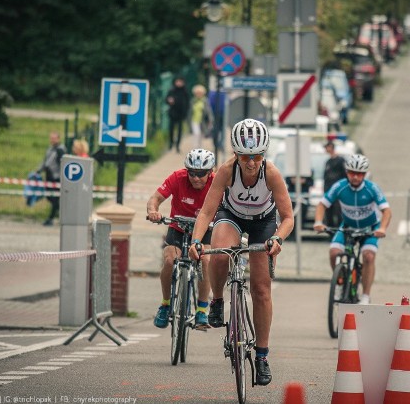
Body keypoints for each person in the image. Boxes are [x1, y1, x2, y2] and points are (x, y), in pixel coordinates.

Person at [188, 118, 294, 386]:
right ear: (236, 154)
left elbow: (288, 218)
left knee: (261, 289)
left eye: (257, 156)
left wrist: (278, 239)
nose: (251, 162)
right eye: (245, 156)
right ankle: (217, 300)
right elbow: (207, 211)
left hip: (263, 222)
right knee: (220, 252)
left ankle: (262, 355)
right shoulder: (226, 171)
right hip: (231, 215)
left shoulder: (271, 173)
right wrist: (196, 241)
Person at [147, 149, 216, 330]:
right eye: (192, 173)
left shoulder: (217, 183)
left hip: (205, 230)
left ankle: (202, 308)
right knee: (170, 261)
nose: (196, 178)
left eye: (201, 174)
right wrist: (153, 211)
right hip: (178, 228)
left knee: (206, 260)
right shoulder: (177, 178)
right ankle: (165, 304)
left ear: (210, 172)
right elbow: (155, 198)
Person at [313, 153, 391, 305]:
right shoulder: (340, 186)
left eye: (359, 174)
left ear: (365, 174)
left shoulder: (372, 188)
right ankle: (340, 282)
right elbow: (322, 204)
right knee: (334, 252)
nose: (355, 177)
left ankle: (366, 296)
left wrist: (382, 228)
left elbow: (387, 211)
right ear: (347, 172)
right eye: (352, 173)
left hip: (370, 228)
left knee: (368, 256)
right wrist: (318, 222)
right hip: (348, 227)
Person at [36, 131, 66, 226]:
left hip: (57, 177)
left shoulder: (61, 149)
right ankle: (59, 209)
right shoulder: (49, 149)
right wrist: (39, 170)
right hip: (49, 176)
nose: (52, 140)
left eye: (54, 138)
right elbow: (46, 161)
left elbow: (63, 163)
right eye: (51, 138)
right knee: (49, 196)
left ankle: (51, 218)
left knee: (55, 198)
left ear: (58, 139)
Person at [323, 141, 346, 227]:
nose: (326, 149)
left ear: (331, 147)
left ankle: (340, 232)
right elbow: (325, 177)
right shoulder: (328, 162)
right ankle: (331, 234)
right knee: (329, 214)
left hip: (338, 192)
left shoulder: (340, 161)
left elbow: (345, 176)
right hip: (329, 192)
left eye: (327, 147)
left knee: (339, 213)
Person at [165, 77, 190, 153]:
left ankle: (178, 145)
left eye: (180, 81)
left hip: (181, 113)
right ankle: (171, 143)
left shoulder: (185, 92)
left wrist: (185, 113)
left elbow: (187, 103)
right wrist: (169, 101)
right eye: (177, 81)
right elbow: (166, 99)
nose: (179, 83)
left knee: (179, 130)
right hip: (173, 113)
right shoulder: (172, 90)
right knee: (171, 129)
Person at [187, 84, 214, 149]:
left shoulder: (205, 101)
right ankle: (195, 147)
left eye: (200, 93)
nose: (199, 94)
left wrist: (211, 120)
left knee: (201, 135)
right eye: (197, 93)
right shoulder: (193, 101)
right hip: (194, 120)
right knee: (196, 134)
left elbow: (209, 111)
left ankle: (200, 148)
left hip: (203, 121)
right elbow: (190, 111)